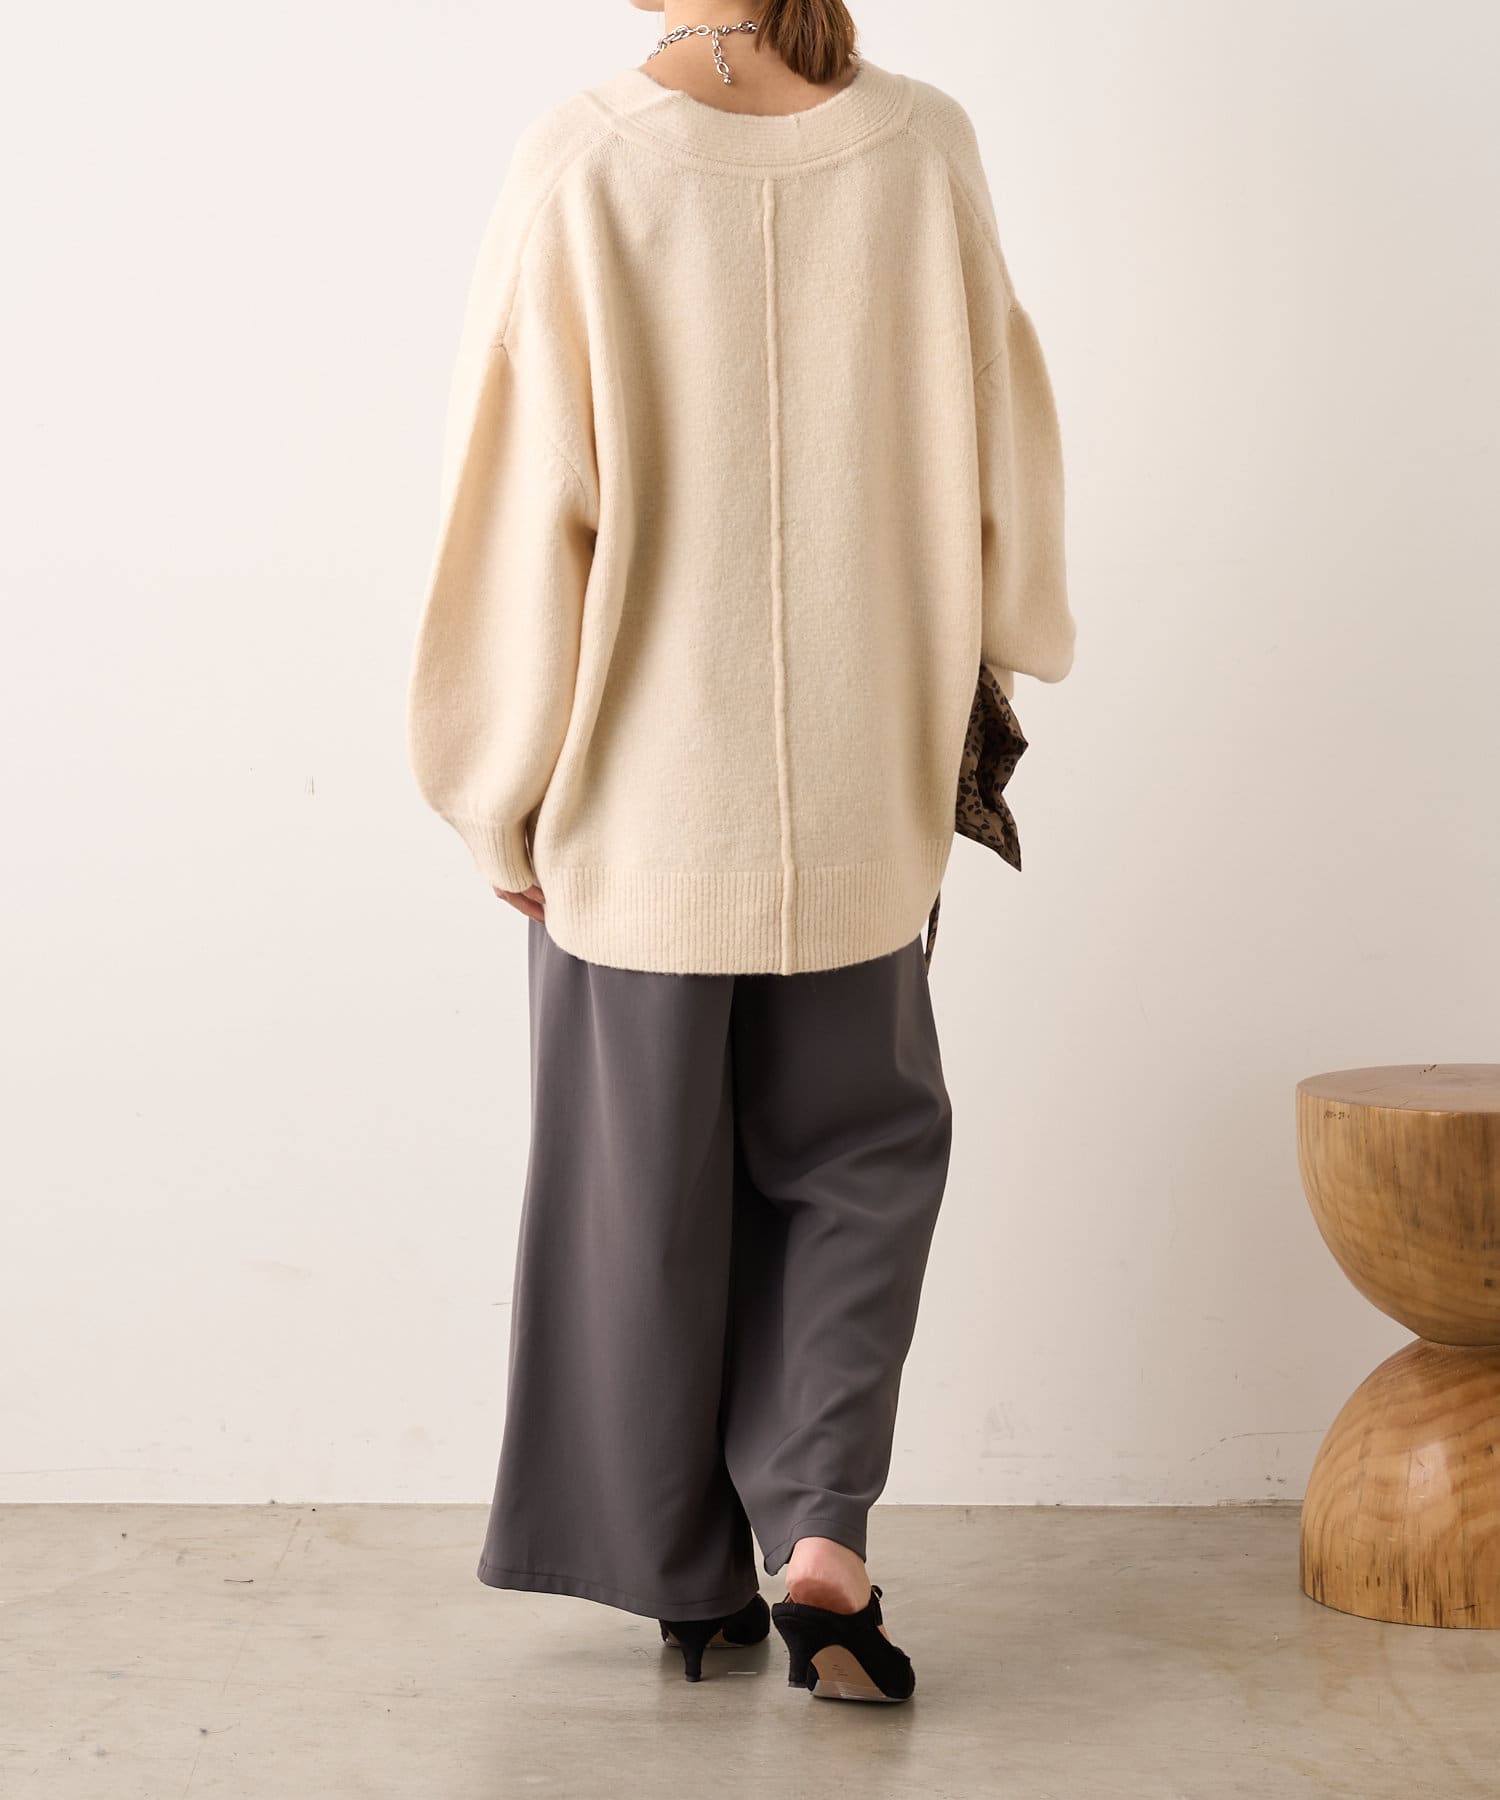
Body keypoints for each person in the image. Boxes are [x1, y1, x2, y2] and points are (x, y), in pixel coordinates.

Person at [405, 0, 1075, 1704]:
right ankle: (825, 1538)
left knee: (641, 1194)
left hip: (643, 793)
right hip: (863, 777)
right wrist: (988, 654)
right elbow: (1001, 440)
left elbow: (521, 497)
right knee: (863, 1154)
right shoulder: (922, 146)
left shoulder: (586, 160)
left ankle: (681, 1577)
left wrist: (493, 784)